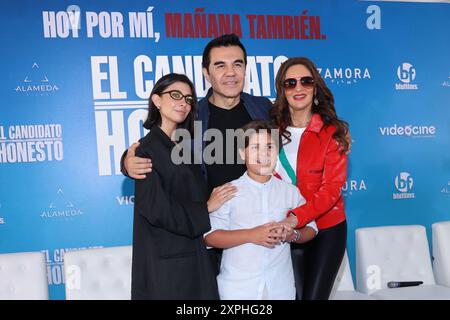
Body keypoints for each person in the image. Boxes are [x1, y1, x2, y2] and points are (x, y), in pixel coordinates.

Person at [122, 33, 273, 273]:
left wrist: (335, 132)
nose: (230, 72)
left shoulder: (263, 108)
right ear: (206, 73)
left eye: (238, 64)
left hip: (261, 228)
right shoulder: (192, 115)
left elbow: (296, 133)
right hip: (212, 232)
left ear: (246, 69)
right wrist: (127, 162)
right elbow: (156, 144)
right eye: (220, 65)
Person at [131, 73, 233, 299]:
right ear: (156, 100)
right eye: (175, 95)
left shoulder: (184, 148)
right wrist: (206, 208)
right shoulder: (145, 150)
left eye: (188, 99)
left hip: (195, 256)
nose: (183, 103)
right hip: (169, 266)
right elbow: (156, 209)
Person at [205, 120, 317, 300]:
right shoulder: (227, 191)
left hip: (281, 287)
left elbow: (311, 228)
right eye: (256, 147)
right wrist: (252, 235)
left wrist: (291, 235)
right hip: (238, 289)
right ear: (243, 153)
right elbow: (210, 237)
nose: (264, 153)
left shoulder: (290, 191)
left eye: (270, 147)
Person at [271, 57, 350, 300]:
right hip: (287, 230)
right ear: (282, 91)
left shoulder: (333, 131)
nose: (298, 88)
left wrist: (297, 218)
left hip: (327, 228)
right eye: (290, 83)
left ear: (315, 87)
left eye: (306, 81)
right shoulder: (271, 132)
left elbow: (331, 190)